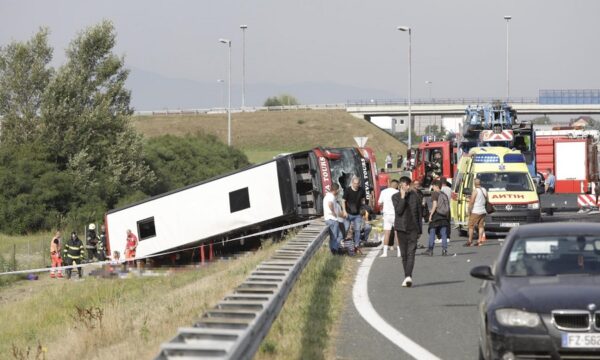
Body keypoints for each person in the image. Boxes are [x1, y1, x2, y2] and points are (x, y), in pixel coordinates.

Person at [393, 176, 423, 287]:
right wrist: (402, 197)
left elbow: (419, 213)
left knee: (411, 253)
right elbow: (399, 211)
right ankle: (407, 276)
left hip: (413, 228)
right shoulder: (395, 197)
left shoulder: (415, 196)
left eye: (407, 185)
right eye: (403, 185)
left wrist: (420, 229)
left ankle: (408, 276)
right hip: (401, 228)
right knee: (404, 254)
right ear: (400, 186)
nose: (406, 187)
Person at [423, 180, 450, 256]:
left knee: (432, 232)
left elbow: (435, 205)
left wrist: (431, 214)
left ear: (436, 186)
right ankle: (444, 250)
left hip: (436, 216)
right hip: (443, 216)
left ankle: (430, 250)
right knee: (443, 234)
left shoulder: (434, 193)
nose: (432, 187)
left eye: (433, 186)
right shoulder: (444, 194)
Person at [342, 176, 366, 249]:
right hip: (348, 213)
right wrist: (344, 211)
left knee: (357, 229)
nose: (356, 185)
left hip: (358, 214)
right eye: (355, 183)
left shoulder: (361, 190)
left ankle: (356, 244)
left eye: (357, 183)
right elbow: (343, 201)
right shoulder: (347, 190)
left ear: (359, 184)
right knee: (346, 228)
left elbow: (363, 200)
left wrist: (363, 208)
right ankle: (342, 243)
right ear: (352, 183)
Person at [378, 179, 399, 257]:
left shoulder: (384, 192)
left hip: (387, 214)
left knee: (387, 233)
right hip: (395, 214)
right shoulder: (398, 192)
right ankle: (399, 252)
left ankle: (385, 253)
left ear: (390, 184)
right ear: (397, 186)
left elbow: (379, 203)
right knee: (397, 233)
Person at [466, 178, 487, 247]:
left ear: (474, 184)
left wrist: (469, 210)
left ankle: (470, 241)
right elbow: (487, 199)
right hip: (483, 211)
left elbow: (471, 202)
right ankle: (479, 240)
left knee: (471, 226)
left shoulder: (475, 191)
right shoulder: (484, 190)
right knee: (481, 226)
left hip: (476, 211)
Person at [324, 183, 343, 254]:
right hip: (332, 219)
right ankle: (334, 250)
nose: (338, 192)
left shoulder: (327, 196)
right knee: (335, 236)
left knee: (336, 235)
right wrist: (333, 212)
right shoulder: (331, 196)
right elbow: (330, 204)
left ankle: (334, 249)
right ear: (336, 190)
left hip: (328, 219)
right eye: (338, 190)